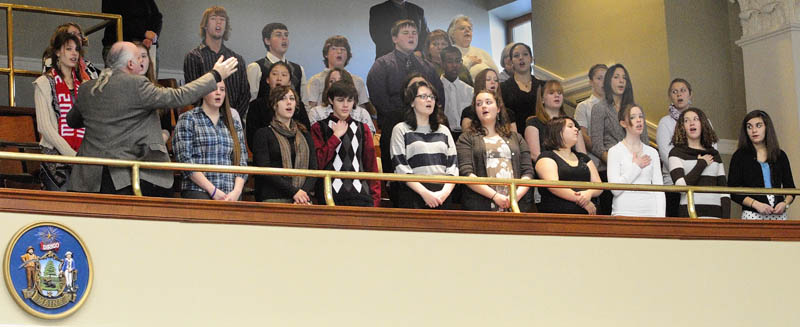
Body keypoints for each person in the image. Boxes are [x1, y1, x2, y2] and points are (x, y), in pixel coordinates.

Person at [66, 41, 239, 195]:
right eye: (138, 58)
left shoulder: (87, 88)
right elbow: (178, 96)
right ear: (130, 63)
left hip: (86, 178)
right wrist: (215, 75)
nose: (142, 62)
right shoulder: (136, 84)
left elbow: (72, 121)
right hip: (121, 179)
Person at [368, 20, 443, 175]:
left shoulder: (427, 67)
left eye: (414, 33)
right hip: (393, 127)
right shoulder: (382, 65)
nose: (411, 36)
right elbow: (379, 99)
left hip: (425, 130)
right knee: (396, 178)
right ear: (394, 38)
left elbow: (439, 96)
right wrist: (406, 118)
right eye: (405, 33)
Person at [457, 90, 532, 211]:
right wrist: (495, 196)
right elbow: (466, 172)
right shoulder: (466, 138)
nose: (484, 106)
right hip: (481, 205)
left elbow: (527, 171)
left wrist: (514, 197)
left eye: (488, 102)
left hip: (515, 204)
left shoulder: (516, 137)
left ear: (498, 108)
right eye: (479, 104)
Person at [173, 81, 248, 201]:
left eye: (222, 89)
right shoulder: (188, 119)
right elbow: (185, 160)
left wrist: (236, 192)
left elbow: (242, 163)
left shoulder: (233, 123)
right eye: (214, 89)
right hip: (198, 191)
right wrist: (213, 191)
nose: (218, 93)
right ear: (203, 92)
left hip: (230, 193)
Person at [311, 81, 381, 207]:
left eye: (349, 100)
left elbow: (371, 166)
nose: (345, 105)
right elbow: (317, 163)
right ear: (331, 100)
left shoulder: (362, 128)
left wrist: (375, 200)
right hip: (330, 195)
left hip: (361, 195)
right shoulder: (319, 127)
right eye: (340, 100)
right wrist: (335, 137)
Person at [390, 81, 457, 209]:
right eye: (423, 96)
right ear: (411, 102)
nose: (429, 100)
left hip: (443, 196)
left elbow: (453, 167)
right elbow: (401, 168)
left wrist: (443, 194)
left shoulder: (443, 130)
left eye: (432, 97)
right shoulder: (401, 129)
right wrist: (425, 194)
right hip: (414, 195)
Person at [589, 64, 646, 215]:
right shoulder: (599, 108)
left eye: (624, 78)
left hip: (638, 169)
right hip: (611, 171)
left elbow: (644, 142)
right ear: (608, 81)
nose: (621, 81)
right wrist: (618, 162)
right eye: (616, 77)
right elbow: (596, 146)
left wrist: (636, 164)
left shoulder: (636, 109)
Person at [34, 32, 85, 191]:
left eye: (76, 50)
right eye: (69, 49)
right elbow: (44, 127)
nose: (74, 53)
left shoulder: (83, 85)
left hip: (82, 157)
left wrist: (80, 156)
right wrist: (71, 155)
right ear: (57, 52)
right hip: (55, 161)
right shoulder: (44, 82)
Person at [252, 85, 317, 204]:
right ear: (274, 105)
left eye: (292, 99)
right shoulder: (263, 134)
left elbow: (313, 169)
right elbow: (265, 170)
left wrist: (302, 193)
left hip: (303, 198)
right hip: (274, 197)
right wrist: (294, 192)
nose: (289, 102)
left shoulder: (305, 135)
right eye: (283, 98)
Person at [184, 6, 250, 119]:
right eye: (213, 18)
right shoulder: (194, 57)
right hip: (204, 120)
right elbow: (193, 93)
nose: (218, 22)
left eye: (222, 19)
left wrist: (232, 117)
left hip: (232, 120)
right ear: (205, 25)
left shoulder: (236, 59)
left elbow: (245, 94)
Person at [728, 110, 795, 220]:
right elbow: (733, 190)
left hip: (779, 215)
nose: (754, 130)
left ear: (767, 128)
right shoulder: (740, 156)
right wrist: (756, 204)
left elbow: (790, 188)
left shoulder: (780, 155)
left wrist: (784, 204)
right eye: (749, 127)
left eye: (758, 126)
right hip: (752, 213)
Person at [668, 108, 730, 218]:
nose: (692, 123)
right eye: (686, 121)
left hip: (715, 216)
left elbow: (724, 191)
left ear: (703, 123)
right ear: (682, 127)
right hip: (689, 215)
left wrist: (726, 221)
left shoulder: (714, 154)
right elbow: (680, 188)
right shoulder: (676, 153)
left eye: (696, 119)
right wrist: (701, 164)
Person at [535, 117, 603, 214]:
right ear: (557, 131)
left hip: (590, 216)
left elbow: (599, 186)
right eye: (570, 126)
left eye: (576, 127)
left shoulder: (583, 158)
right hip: (559, 216)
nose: (576, 129)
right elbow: (554, 186)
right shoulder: (547, 157)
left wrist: (589, 193)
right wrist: (582, 200)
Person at [607, 104, 665, 217]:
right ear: (623, 123)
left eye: (641, 116)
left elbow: (659, 189)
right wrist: (636, 167)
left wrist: (661, 216)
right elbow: (615, 189)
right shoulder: (614, 151)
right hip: (623, 212)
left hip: (650, 213)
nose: (639, 120)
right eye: (633, 117)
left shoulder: (652, 152)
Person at [247, 61, 311, 148]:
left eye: (284, 75)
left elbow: (307, 134)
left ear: (289, 82)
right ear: (268, 80)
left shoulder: (297, 105)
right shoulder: (256, 106)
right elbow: (252, 139)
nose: (279, 78)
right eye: (274, 74)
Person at [657, 78, 695, 217]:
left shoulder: (702, 120)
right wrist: (685, 172)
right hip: (673, 185)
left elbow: (711, 148)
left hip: (698, 184)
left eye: (683, 91)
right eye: (675, 92)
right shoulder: (665, 123)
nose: (679, 94)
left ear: (690, 94)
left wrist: (696, 171)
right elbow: (665, 153)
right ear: (670, 96)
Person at [524, 80, 587, 161]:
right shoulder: (534, 122)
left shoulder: (572, 122)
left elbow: (582, 153)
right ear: (542, 99)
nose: (557, 95)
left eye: (559, 93)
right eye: (551, 93)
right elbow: (535, 155)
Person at [246, 23, 306, 103]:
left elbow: (304, 101)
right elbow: (250, 101)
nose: (284, 38)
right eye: (278, 35)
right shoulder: (256, 67)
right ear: (267, 40)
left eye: (286, 35)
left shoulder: (298, 69)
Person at [304, 35, 369, 109]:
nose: (339, 52)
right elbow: (310, 109)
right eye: (334, 49)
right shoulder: (315, 80)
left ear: (348, 55)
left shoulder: (358, 81)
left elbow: (362, 109)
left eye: (343, 49)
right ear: (326, 54)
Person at [308, 68, 376, 133]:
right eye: (331, 81)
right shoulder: (316, 113)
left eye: (340, 81)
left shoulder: (362, 113)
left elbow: (369, 138)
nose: (336, 84)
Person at [101, 0, 162, 73]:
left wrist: (152, 37)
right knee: (120, 81)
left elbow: (157, 17)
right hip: (120, 45)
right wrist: (143, 33)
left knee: (149, 81)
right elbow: (112, 18)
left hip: (147, 45)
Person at [500, 43, 544, 134]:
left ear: (531, 59)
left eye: (525, 54)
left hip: (543, 137)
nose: (521, 58)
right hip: (516, 137)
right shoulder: (503, 88)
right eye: (516, 56)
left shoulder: (543, 86)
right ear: (511, 62)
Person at [133, 42, 172, 144]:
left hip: (155, 149)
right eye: (136, 56)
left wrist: (156, 144)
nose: (141, 60)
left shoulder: (160, 91)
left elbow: (166, 129)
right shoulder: (121, 91)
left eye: (144, 56)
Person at [574, 64, 606, 170]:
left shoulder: (616, 106)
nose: (604, 82)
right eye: (599, 78)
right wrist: (603, 155)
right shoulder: (583, 106)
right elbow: (583, 135)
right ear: (591, 82)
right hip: (595, 163)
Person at [447, 15, 498, 79]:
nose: (467, 30)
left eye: (470, 28)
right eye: (462, 28)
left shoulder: (482, 52)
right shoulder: (447, 53)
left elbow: (496, 74)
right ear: (452, 34)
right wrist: (469, 61)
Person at [439, 46, 474, 135]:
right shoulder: (436, 88)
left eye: (458, 61)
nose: (454, 65)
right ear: (442, 64)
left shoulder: (469, 91)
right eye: (450, 61)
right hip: (443, 134)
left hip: (466, 134)